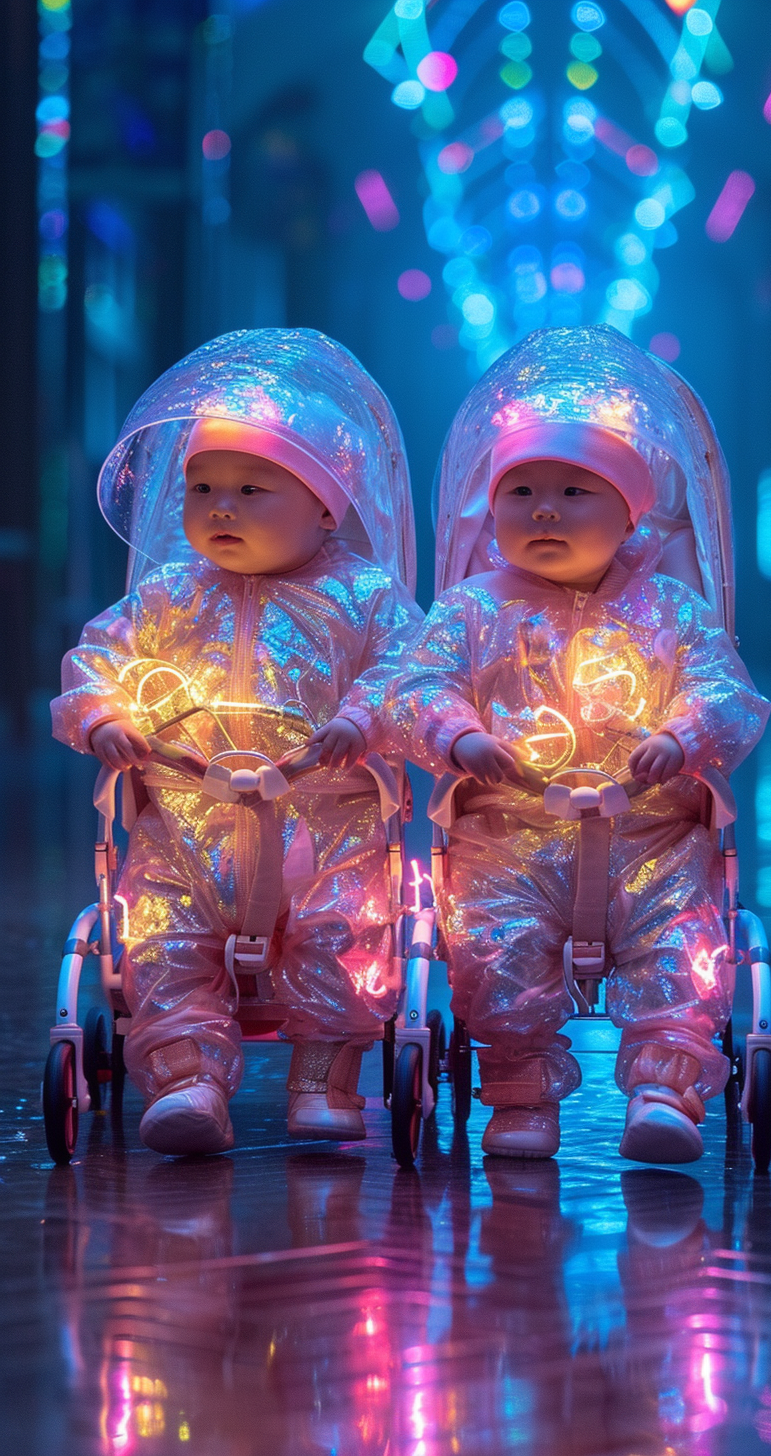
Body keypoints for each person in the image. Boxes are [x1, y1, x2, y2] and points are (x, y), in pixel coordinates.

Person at [388, 325, 769, 1164]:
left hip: (653, 836)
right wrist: (461, 734)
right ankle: (520, 1093)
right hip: (510, 836)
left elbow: (727, 690)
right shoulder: (470, 611)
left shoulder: (671, 610)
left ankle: (665, 1086)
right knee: (496, 954)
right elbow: (413, 688)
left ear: (631, 510)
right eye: (520, 493)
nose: (545, 509)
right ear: (492, 510)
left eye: (574, 491)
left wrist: (686, 732)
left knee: (680, 946)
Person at [52, 329, 420, 1157]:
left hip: (326, 821)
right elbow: (100, 657)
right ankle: (186, 1076)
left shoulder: (362, 595)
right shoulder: (167, 597)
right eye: (203, 487)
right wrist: (105, 715)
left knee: (342, 932)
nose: (222, 507)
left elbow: (412, 670)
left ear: (326, 505)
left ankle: (323, 1072)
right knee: (162, 939)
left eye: (254, 489)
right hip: (187, 821)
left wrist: (363, 718)